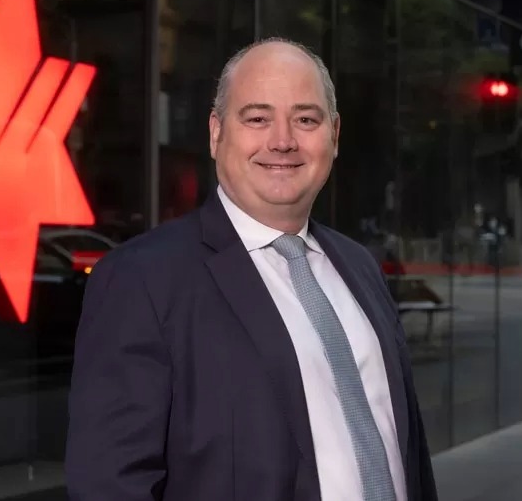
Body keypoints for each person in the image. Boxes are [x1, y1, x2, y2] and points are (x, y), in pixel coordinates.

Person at [65, 38, 438, 500]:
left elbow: (408, 450)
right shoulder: (141, 281)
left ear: (334, 136)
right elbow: (111, 486)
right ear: (216, 132)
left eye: (305, 119)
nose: (282, 141)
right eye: (257, 118)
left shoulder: (359, 267)